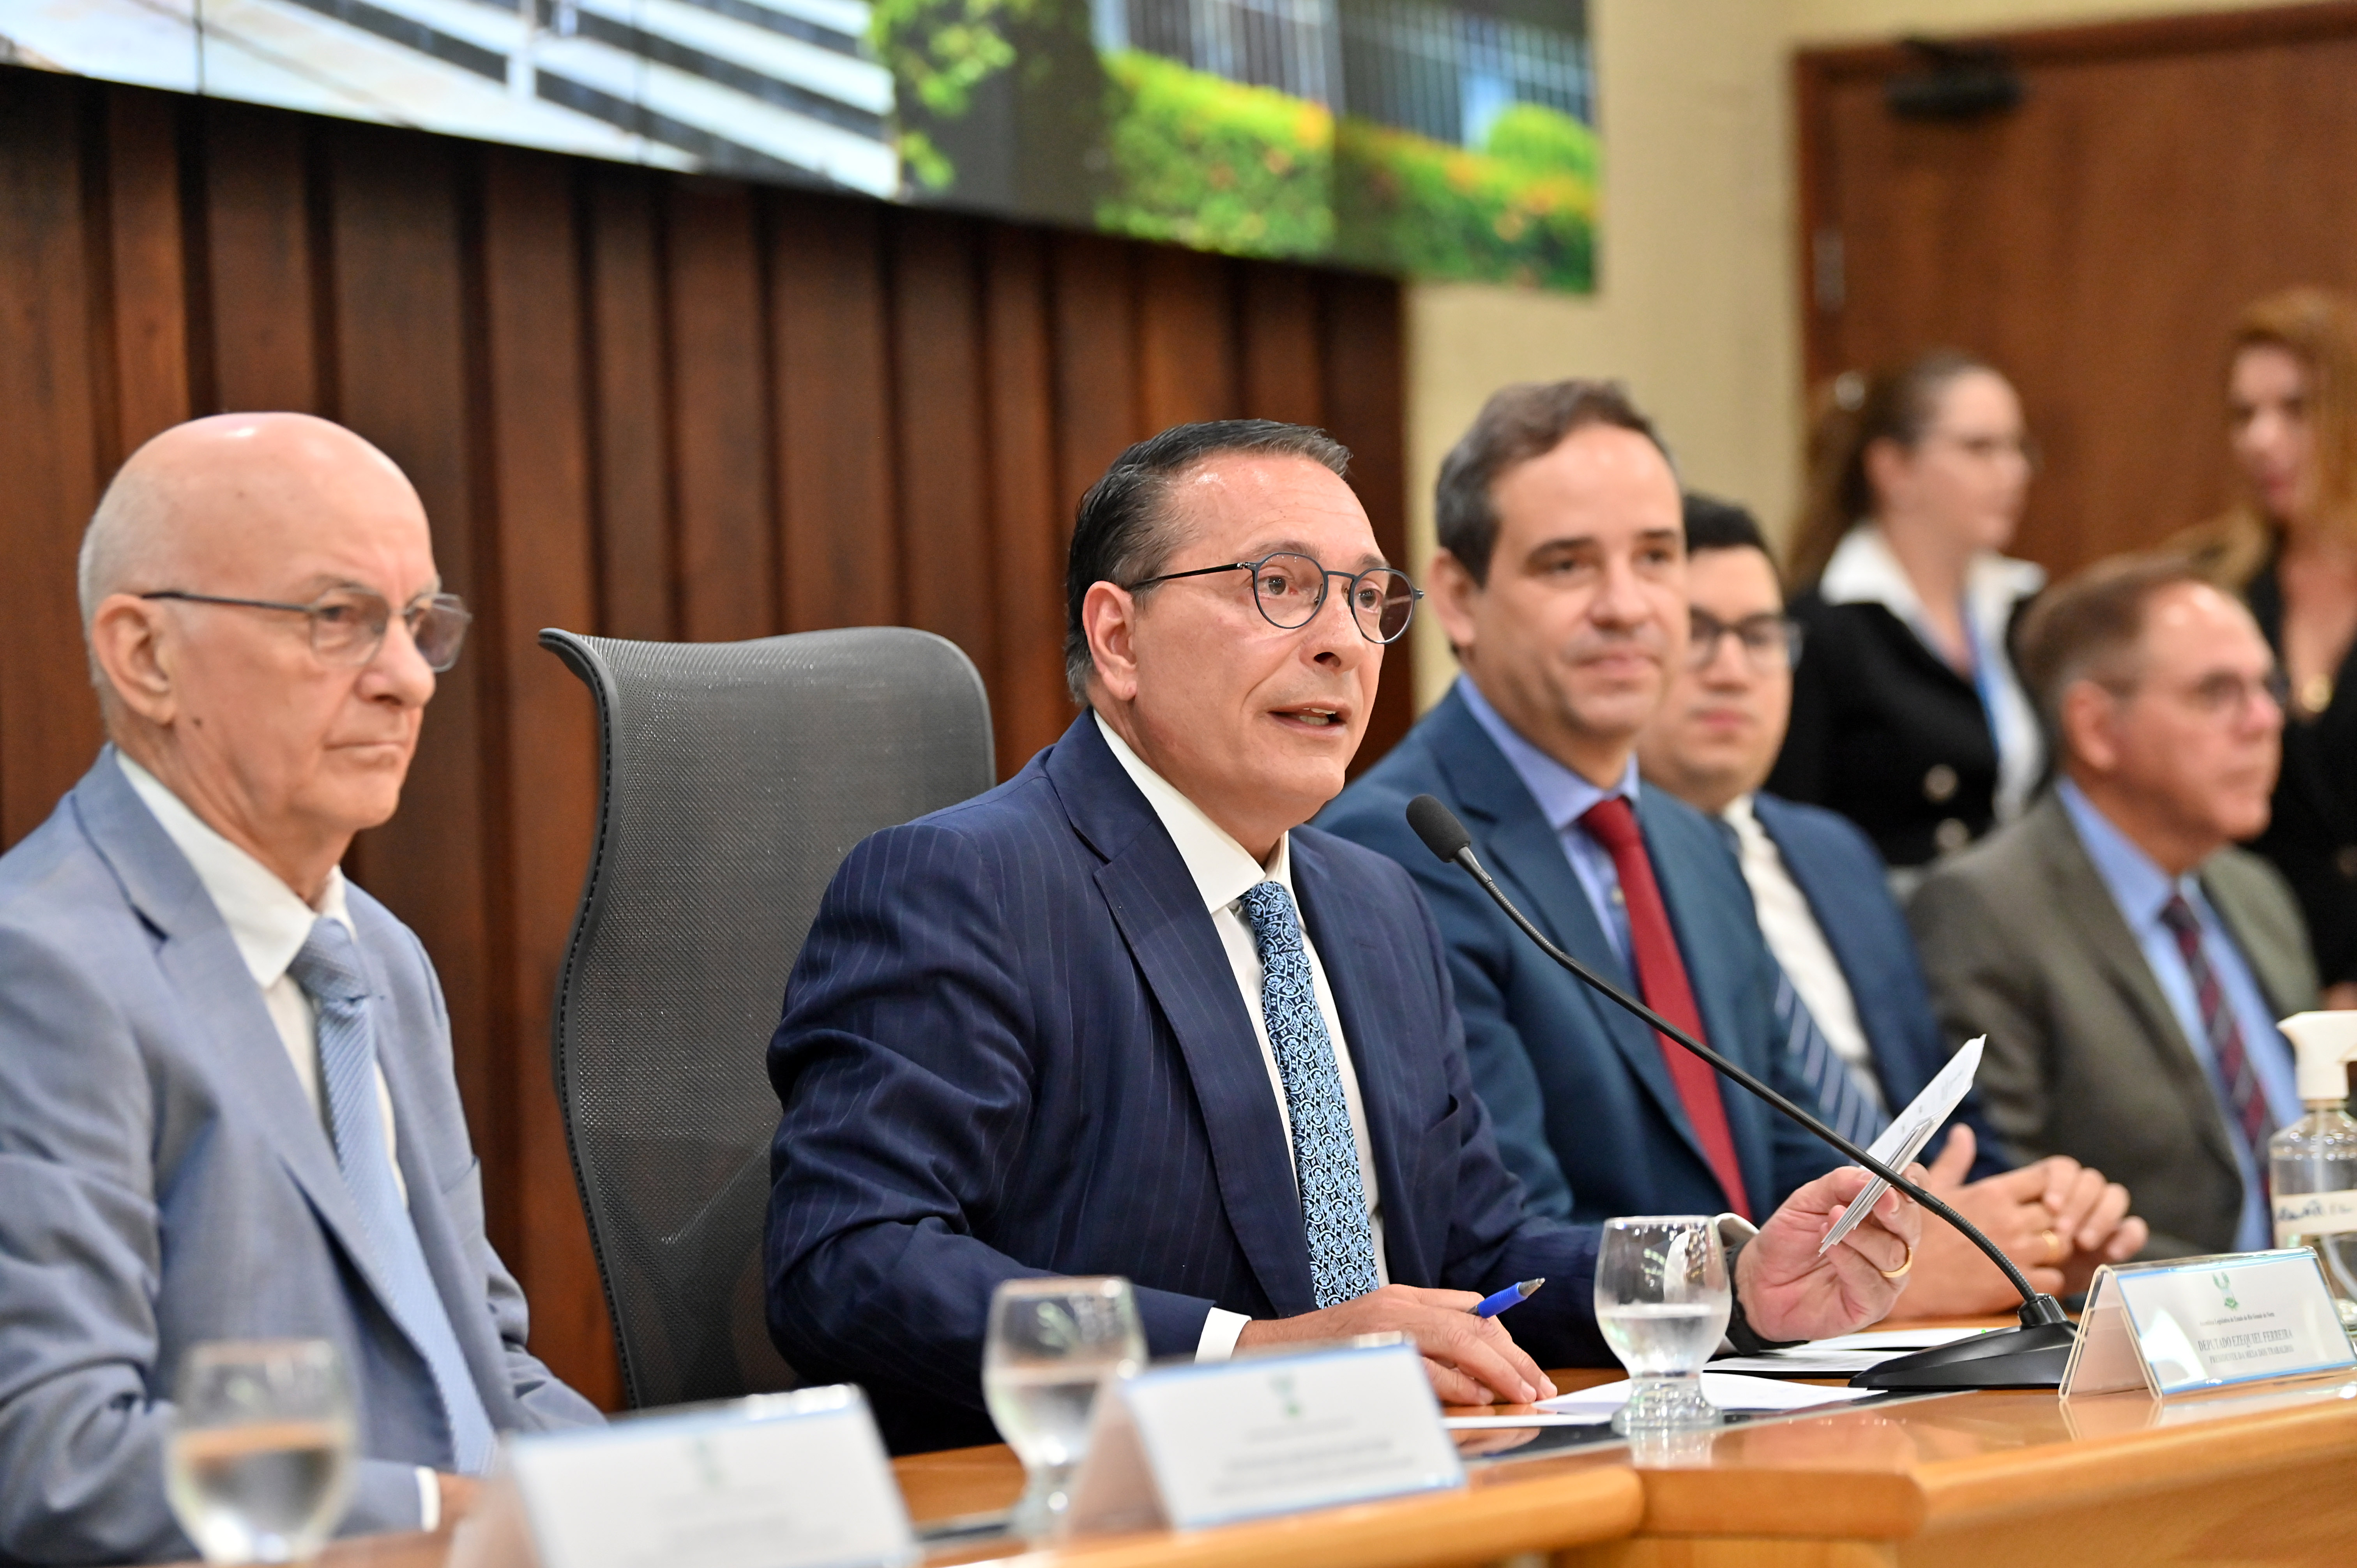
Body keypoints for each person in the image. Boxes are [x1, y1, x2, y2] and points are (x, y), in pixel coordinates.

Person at [763, 419, 1922, 1455]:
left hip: (1405, 1485)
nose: (1343, 643)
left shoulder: (1377, 902)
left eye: (1368, 601)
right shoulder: (970, 884)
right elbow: (850, 1260)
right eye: (1280, 587)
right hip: (1115, 1508)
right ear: (1117, 637)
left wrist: (1730, 1280)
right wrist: (1244, 1353)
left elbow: (1478, 1256)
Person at [0, 414, 601, 1563]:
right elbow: (58, 1454)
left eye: (418, 623)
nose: (406, 681)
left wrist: (655, 1502)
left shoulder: (380, 955)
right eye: (338, 618)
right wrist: (445, 1515)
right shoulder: (43, 969)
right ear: (146, 656)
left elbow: (484, 1365)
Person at [1319, 384, 1839, 1232]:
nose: (1626, 607)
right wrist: (1759, 1281)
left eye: (1656, 557)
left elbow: (1791, 1152)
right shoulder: (1396, 848)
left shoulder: (1694, 839)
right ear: (1458, 596)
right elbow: (1507, 1239)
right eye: (1567, 565)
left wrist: (1889, 1234)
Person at [1634, 494, 2148, 1312]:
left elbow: (1948, 1106)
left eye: (1760, 636)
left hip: (1934, 1310)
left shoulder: (1834, 852)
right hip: (1767, 1317)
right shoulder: (1608, 881)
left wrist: (2034, 1222)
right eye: (1698, 634)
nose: (1732, 669)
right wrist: (1899, 1263)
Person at [1911, 556, 2318, 1259]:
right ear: (2096, 727)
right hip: (2147, 1316)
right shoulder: (1985, 910)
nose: (2264, 720)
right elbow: (2015, 1203)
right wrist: (2263, 1297)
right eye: (2217, 692)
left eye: (2268, 687)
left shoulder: (2257, 892)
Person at [1769, 352, 2046, 878]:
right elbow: (1793, 825)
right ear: (1893, 469)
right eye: (1980, 448)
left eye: (2018, 448)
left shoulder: (2027, 608)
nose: (2014, 472)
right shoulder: (1823, 628)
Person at [2171, 287, 2357, 1008]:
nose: (2261, 439)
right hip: (2249, 989)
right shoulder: (2206, 587)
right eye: (2244, 414)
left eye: (2296, 409)